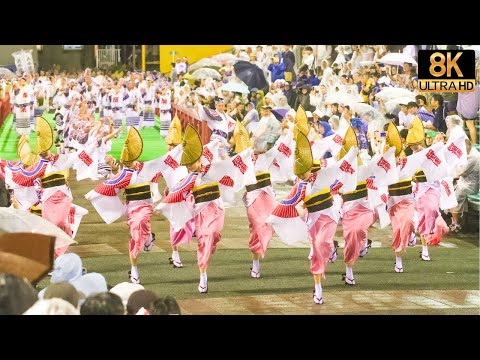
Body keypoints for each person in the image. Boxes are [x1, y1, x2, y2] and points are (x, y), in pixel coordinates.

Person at [449, 139, 480, 232]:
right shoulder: (469, 152)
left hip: (471, 184)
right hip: (464, 181)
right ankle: (456, 220)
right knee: (449, 187)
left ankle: (456, 224)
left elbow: (462, 172)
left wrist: (452, 175)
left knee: (454, 197)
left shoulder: (473, 157)